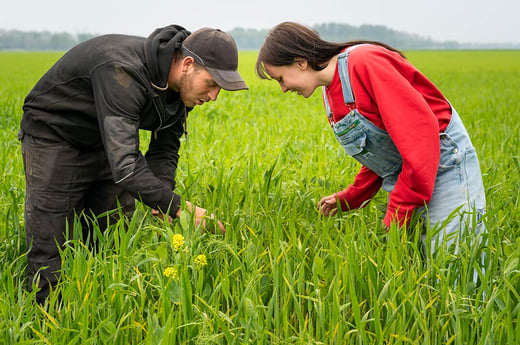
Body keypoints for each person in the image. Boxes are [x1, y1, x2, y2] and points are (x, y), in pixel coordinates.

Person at [20, 25, 248, 303]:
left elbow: (165, 150)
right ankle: (47, 316)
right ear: (188, 64)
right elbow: (126, 163)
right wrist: (178, 207)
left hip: (107, 140)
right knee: (52, 243)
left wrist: (160, 200)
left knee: (112, 238)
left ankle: (100, 308)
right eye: (212, 84)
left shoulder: (181, 89)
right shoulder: (122, 70)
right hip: (55, 135)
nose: (213, 96)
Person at [256, 22, 486, 260]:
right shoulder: (330, 92)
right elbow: (382, 149)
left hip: (443, 164)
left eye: (280, 78)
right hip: (413, 175)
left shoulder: (364, 63)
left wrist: (398, 208)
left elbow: (420, 136)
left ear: (300, 62)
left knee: (454, 268)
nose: (283, 89)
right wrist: (354, 195)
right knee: (421, 268)